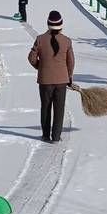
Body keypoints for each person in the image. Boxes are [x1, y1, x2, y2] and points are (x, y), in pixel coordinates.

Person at [28, 10, 75, 143]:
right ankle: (55, 137)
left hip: (45, 80)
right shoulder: (67, 41)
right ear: (61, 25)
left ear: (48, 24)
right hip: (61, 81)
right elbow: (71, 62)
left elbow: (31, 58)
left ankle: (45, 135)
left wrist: (40, 66)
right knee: (59, 109)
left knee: (45, 107)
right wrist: (69, 76)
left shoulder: (40, 39)